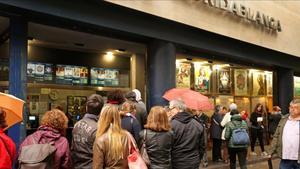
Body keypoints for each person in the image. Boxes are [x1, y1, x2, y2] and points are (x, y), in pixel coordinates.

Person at [93, 104, 133, 169]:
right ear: (118, 118)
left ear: (102, 119)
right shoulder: (127, 136)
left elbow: (97, 166)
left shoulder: (100, 140)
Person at [169, 99, 206, 169]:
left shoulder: (171, 125)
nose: (169, 111)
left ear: (176, 108)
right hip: (193, 161)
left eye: (170, 108)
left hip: (176, 162)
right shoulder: (197, 124)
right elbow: (202, 146)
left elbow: (168, 146)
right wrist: (197, 158)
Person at [71, 94, 104, 169]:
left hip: (76, 166)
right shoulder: (98, 128)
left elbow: (72, 149)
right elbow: (100, 155)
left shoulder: (76, 125)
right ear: (101, 110)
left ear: (86, 108)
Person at [268, 99, 300, 168]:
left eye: (296, 107)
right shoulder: (283, 119)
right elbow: (276, 136)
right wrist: (270, 151)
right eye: (291, 107)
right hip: (285, 158)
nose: (293, 109)